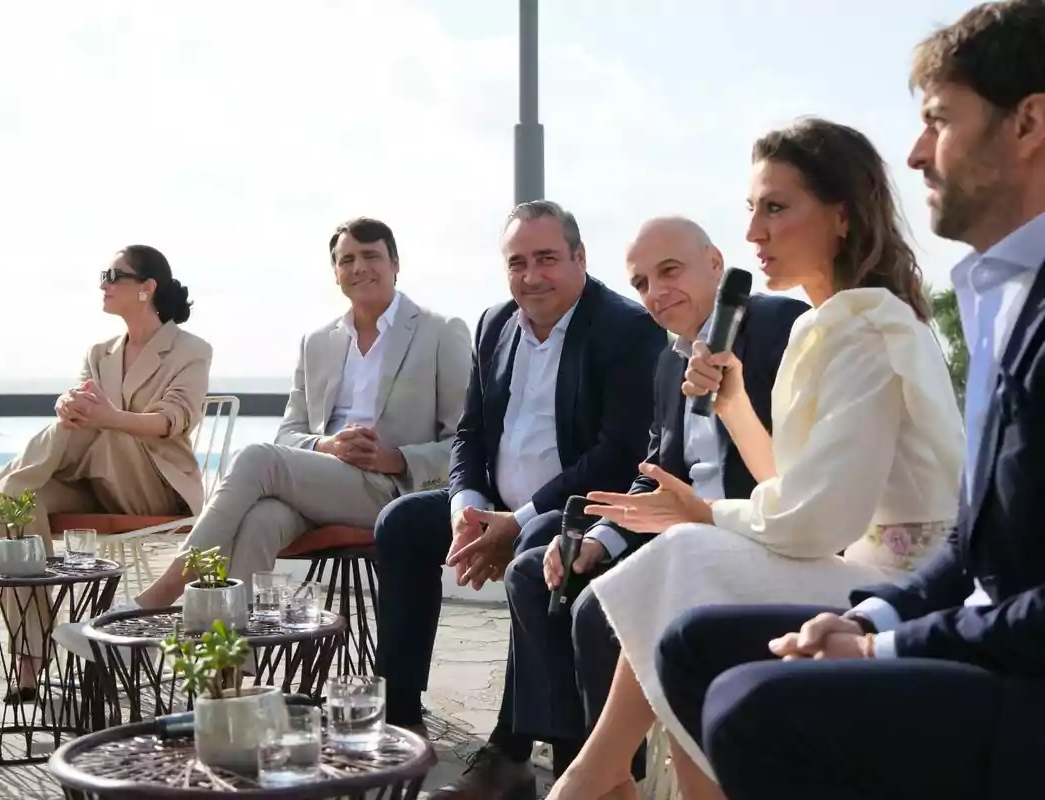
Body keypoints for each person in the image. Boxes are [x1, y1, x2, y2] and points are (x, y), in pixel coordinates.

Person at [654, 4, 1045, 798]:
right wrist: (873, 622)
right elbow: (979, 549)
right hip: (962, 616)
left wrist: (881, 650)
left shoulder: (872, 321)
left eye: (938, 119)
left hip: (1022, 672)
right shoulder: (999, 300)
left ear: (1029, 122)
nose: (915, 150)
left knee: (747, 695)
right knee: (695, 645)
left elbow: (822, 517)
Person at [548, 116, 967, 800]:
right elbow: (793, 490)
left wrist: (703, 510)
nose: (753, 233)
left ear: (841, 215)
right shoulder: (824, 324)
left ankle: (593, 776)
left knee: (688, 555)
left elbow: (818, 521)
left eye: (775, 208)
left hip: (904, 588)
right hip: (844, 564)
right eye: (751, 209)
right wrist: (737, 403)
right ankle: (605, 777)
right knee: (687, 574)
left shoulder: (873, 329)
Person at [53, 217, 471, 658]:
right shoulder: (318, 342)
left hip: (392, 491)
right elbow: (290, 432)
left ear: (395, 264)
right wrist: (325, 445)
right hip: (321, 481)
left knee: (255, 458)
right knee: (260, 522)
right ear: (335, 272)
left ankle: (151, 606)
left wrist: (395, 458)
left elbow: (465, 443)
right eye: (347, 259)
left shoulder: (439, 331)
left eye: (371, 256)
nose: (359, 267)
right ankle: (232, 669)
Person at [375, 199, 669, 800]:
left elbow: (618, 453)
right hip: (495, 507)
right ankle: (399, 717)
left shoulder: (623, 327)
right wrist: (465, 510)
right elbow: (469, 435)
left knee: (538, 544)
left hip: (582, 511)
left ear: (580, 258)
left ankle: (513, 755)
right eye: (517, 263)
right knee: (402, 521)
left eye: (547, 259)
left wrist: (519, 520)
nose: (531, 276)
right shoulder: (494, 323)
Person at [502, 216, 807, 782]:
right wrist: (595, 542)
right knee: (540, 574)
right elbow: (653, 472)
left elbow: (802, 473)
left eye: (669, 271)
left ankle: (608, 776)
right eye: (641, 283)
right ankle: (578, 765)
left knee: (599, 609)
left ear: (715, 264)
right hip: (677, 534)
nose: (655, 293)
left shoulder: (779, 325)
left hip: (753, 534)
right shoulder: (667, 361)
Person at [0, 245, 210, 702]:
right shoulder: (99, 352)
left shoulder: (190, 350)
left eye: (114, 274)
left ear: (147, 288)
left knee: (83, 424)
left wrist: (105, 416)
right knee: (18, 505)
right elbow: (76, 404)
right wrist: (68, 405)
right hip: (93, 481)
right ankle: (29, 660)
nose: (103, 283)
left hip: (154, 486)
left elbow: (175, 420)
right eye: (103, 274)